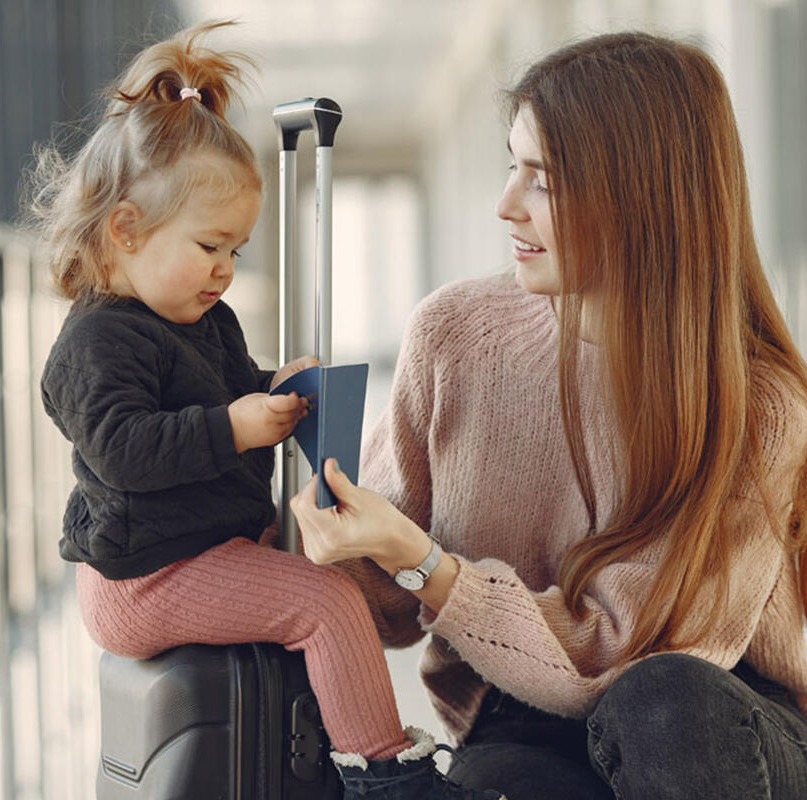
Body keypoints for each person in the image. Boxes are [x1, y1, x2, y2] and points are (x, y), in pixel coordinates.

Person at [290, 31, 807, 800]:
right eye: (511, 165)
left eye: (543, 180)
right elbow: (393, 608)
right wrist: (313, 496)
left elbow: (625, 659)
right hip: (524, 715)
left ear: (640, 196)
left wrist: (432, 567)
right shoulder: (454, 337)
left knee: (664, 707)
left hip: (717, 717)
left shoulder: (758, 409)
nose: (505, 205)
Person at [31, 21, 506, 800]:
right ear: (126, 229)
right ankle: (386, 773)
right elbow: (125, 450)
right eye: (209, 245)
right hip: (144, 578)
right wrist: (232, 427)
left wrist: (272, 384)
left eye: (236, 252)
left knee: (327, 572)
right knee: (324, 604)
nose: (223, 269)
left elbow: (219, 384)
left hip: (194, 545)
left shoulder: (198, 315)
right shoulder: (96, 343)